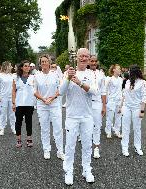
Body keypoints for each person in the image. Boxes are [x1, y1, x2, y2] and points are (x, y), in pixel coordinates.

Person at [60, 48, 97, 185]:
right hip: (72, 116)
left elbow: (94, 91)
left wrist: (80, 83)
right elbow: (61, 92)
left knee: (87, 145)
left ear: (88, 58)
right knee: (70, 146)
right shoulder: (67, 73)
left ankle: (87, 169)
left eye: (86, 56)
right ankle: (68, 171)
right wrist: (68, 79)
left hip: (87, 116)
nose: (83, 58)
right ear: (77, 57)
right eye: (81, 56)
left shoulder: (91, 74)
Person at [34, 55, 64, 160]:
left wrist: (53, 97)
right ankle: (46, 149)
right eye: (42, 62)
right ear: (40, 64)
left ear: (49, 63)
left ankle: (60, 151)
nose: (44, 63)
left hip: (54, 104)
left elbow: (60, 89)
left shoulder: (55, 74)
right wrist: (43, 99)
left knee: (58, 128)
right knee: (44, 128)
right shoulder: (37, 76)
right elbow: (35, 91)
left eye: (46, 61)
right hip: (42, 105)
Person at [120, 65, 146, 156]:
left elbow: (144, 97)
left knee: (137, 128)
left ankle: (137, 147)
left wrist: (142, 111)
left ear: (134, 72)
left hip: (137, 108)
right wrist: (121, 106)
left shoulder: (142, 82)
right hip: (126, 107)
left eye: (130, 71)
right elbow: (124, 94)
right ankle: (124, 148)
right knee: (125, 128)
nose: (128, 72)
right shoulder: (127, 81)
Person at [12, 60, 35, 148]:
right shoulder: (16, 77)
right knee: (18, 122)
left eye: (28, 66)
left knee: (29, 121)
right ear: (21, 67)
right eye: (25, 66)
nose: (27, 67)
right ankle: (18, 139)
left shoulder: (33, 77)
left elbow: (36, 89)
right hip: (19, 103)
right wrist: (13, 103)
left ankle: (29, 139)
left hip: (29, 103)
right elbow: (13, 91)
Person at [89, 55, 106, 159]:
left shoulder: (101, 74)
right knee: (87, 126)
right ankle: (86, 147)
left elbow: (103, 91)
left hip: (97, 103)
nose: (93, 63)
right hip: (86, 103)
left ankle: (96, 148)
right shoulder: (85, 73)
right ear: (88, 62)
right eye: (92, 61)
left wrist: (104, 106)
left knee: (97, 126)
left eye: (95, 61)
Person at [0, 61, 16, 135]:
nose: (11, 67)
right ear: (6, 66)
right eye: (10, 66)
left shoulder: (13, 76)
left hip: (12, 97)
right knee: (3, 113)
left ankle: (13, 128)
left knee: (12, 113)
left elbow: (15, 87)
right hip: (3, 97)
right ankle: (2, 128)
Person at [105, 64, 123, 138]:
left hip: (119, 101)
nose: (120, 70)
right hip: (111, 101)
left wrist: (122, 102)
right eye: (118, 69)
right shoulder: (109, 79)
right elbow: (105, 90)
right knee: (110, 117)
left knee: (118, 117)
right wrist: (106, 100)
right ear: (114, 70)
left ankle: (117, 131)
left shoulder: (121, 79)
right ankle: (108, 131)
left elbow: (121, 90)